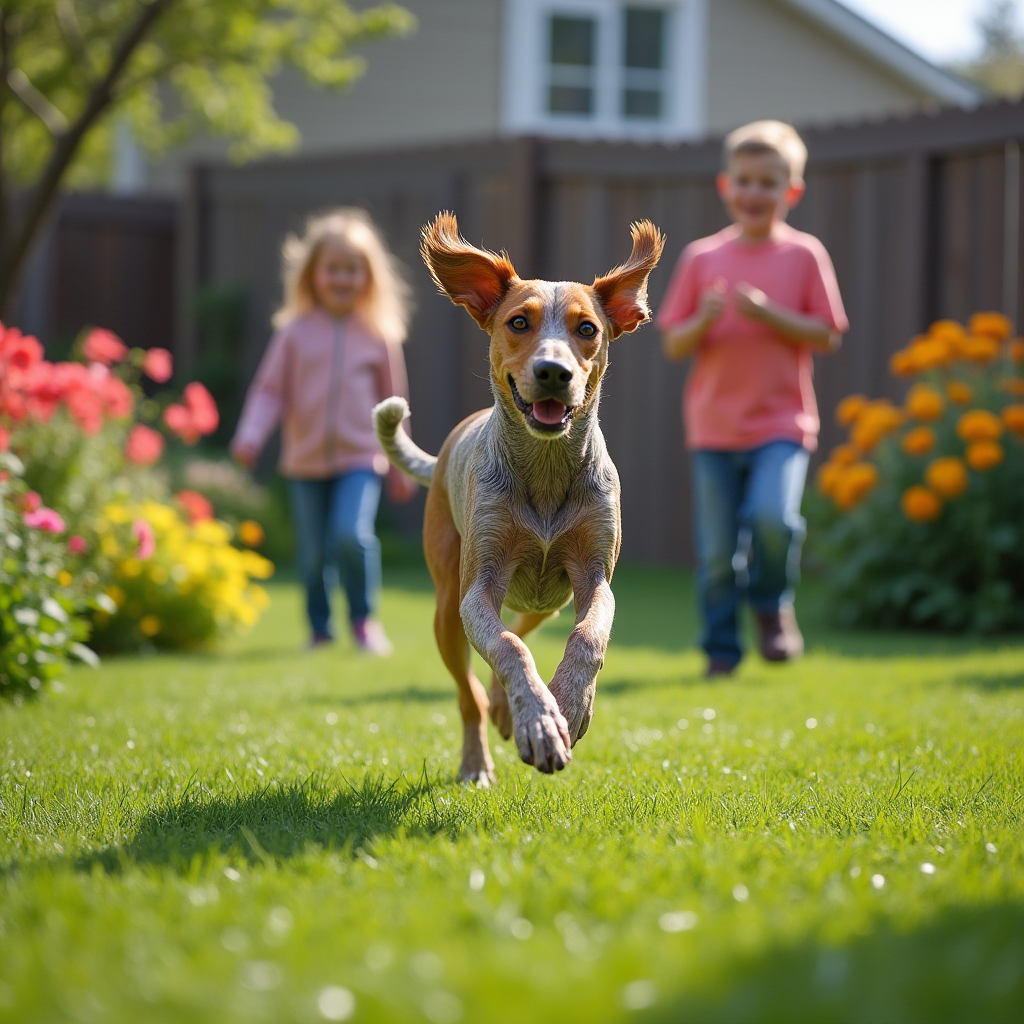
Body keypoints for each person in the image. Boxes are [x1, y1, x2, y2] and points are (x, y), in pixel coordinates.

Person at [657, 120, 849, 677]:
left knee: (775, 519)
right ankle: (721, 650)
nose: (754, 193)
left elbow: (828, 333)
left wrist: (768, 313)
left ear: (791, 192)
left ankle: (770, 605)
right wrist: (704, 319)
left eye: (769, 182)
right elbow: (673, 342)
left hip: (783, 422)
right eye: (744, 180)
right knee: (718, 553)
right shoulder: (701, 257)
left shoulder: (805, 255)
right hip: (714, 427)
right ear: (725, 186)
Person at [232, 208, 417, 654]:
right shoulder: (294, 334)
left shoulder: (379, 335)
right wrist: (251, 435)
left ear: (368, 278)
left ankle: (364, 620)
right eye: (332, 269)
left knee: (351, 536)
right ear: (313, 275)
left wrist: (402, 464)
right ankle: (319, 629)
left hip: (361, 458)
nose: (341, 278)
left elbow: (394, 406)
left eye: (351, 270)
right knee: (314, 554)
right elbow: (269, 391)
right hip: (305, 461)